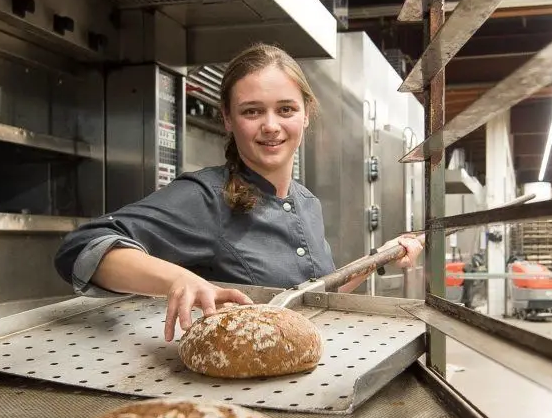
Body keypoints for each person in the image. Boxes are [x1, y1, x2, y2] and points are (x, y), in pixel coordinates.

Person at [54, 43, 424, 342]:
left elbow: (307, 296)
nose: (271, 126)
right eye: (252, 112)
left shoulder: (306, 202)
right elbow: (83, 247)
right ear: (228, 120)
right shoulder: (207, 196)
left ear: (306, 114)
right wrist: (176, 279)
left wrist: (380, 256)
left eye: (285, 109)